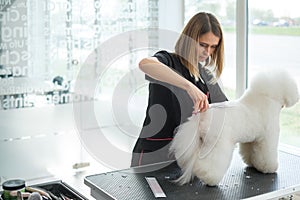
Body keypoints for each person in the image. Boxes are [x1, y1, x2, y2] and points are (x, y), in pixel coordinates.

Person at [131, 12, 228, 167]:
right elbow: (145, 64)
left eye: (213, 47)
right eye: (203, 45)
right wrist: (189, 87)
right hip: (154, 155)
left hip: (188, 157)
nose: (207, 52)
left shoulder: (206, 76)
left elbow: (225, 108)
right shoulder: (168, 61)